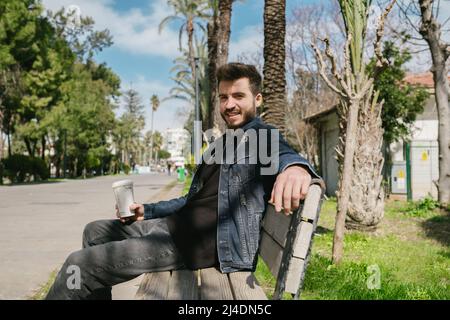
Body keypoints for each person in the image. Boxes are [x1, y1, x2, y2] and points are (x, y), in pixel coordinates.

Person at [45, 63, 320, 300]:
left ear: (257, 99)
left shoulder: (262, 136)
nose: (229, 104)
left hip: (198, 244)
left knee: (78, 265)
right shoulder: (221, 144)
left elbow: (285, 154)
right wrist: (147, 211)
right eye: (223, 97)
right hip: (173, 227)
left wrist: (296, 169)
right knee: (94, 231)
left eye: (238, 95)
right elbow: (191, 200)